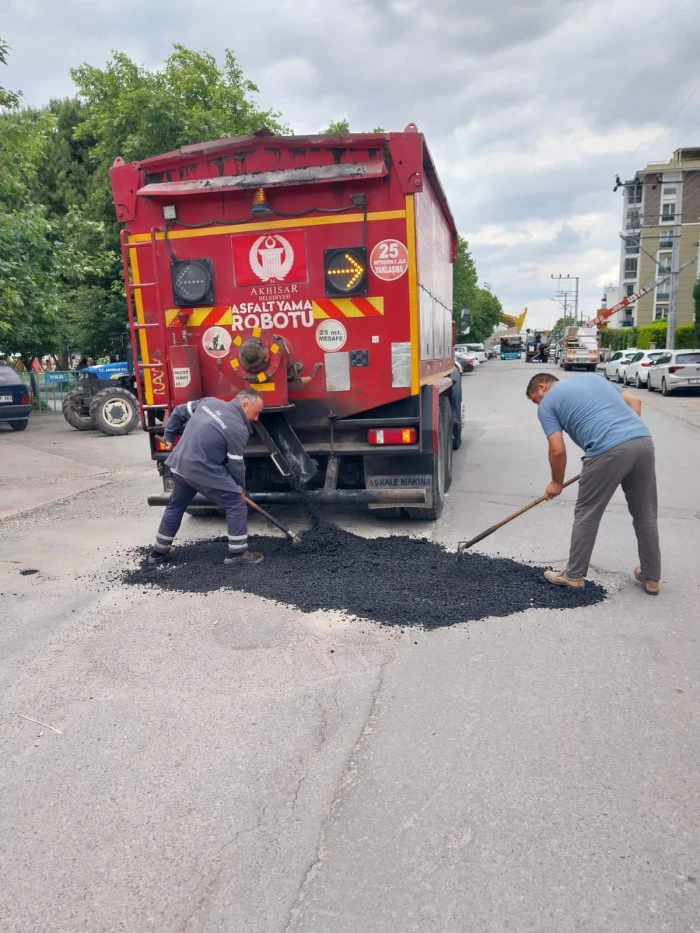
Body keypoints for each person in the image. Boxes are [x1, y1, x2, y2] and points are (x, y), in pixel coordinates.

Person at [526, 372, 661, 594]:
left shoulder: (547, 403)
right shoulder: (592, 378)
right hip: (642, 441)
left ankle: (573, 575)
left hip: (606, 450)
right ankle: (652, 576)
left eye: (535, 400)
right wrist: (626, 439)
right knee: (645, 512)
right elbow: (635, 401)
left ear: (542, 387)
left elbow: (557, 450)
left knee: (587, 513)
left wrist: (556, 482)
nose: (538, 404)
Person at [148, 387, 265, 566]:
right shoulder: (238, 428)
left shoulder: (209, 402)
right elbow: (236, 465)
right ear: (244, 404)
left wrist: (169, 436)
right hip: (201, 469)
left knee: (176, 505)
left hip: (179, 465)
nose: (256, 418)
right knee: (235, 503)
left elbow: (178, 411)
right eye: (256, 413)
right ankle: (237, 554)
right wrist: (239, 489)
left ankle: (158, 552)